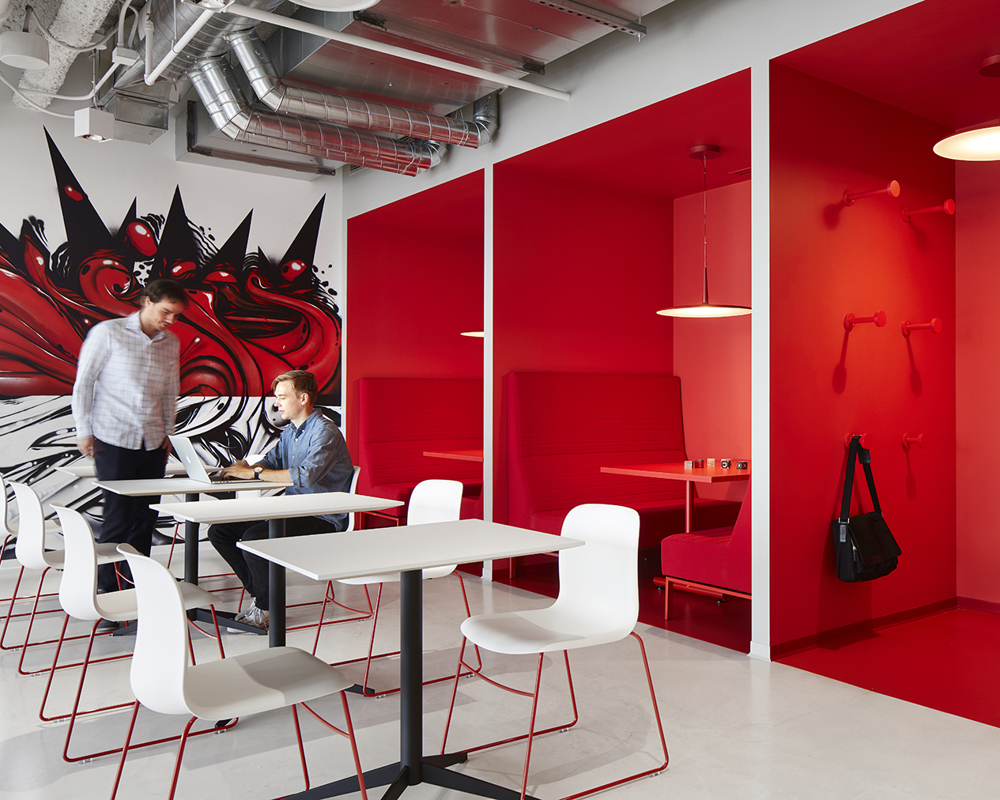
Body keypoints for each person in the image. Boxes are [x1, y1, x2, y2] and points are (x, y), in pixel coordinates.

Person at [207, 370, 354, 630]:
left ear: (303, 398)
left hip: (322, 517)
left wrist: (253, 472)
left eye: (282, 397)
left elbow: (306, 477)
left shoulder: (325, 432)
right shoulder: (291, 432)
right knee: (220, 532)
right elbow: (271, 462)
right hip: (292, 510)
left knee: (254, 539)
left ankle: (266, 610)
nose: (276, 403)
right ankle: (263, 599)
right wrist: (243, 467)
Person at [72, 279, 187, 596]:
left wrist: (169, 433)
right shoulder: (108, 333)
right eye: (166, 312)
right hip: (113, 438)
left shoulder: (171, 342)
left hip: (153, 442)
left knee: (145, 519)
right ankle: (108, 594)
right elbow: (84, 384)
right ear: (147, 301)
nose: (171, 320)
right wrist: (84, 431)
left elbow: (170, 391)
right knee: (118, 520)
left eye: (176, 315)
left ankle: (139, 587)